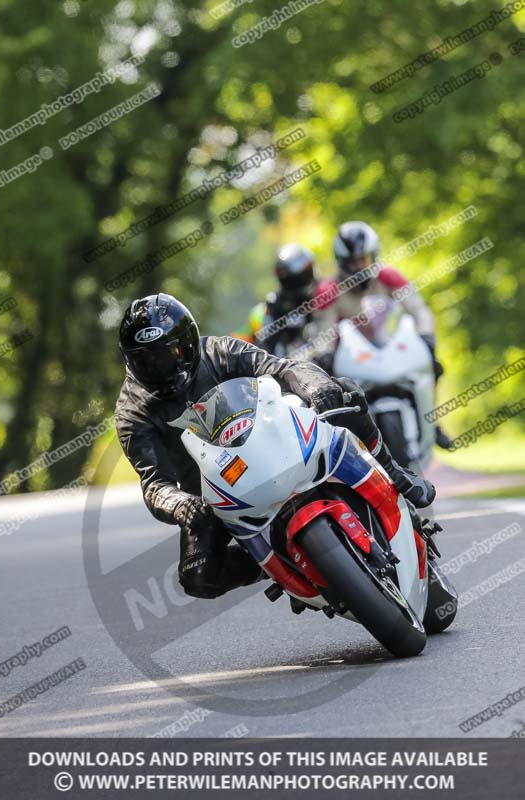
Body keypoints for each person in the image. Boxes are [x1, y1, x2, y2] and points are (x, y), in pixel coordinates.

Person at [115, 293, 435, 600]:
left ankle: (395, 474)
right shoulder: (133, 412)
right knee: (198, 576)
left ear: (188, 341)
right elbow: (154, 484)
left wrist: (316, 385)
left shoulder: (219, 351)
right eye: (148, 361)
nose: (163, 367)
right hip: (213, 490)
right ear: (131, 362)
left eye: (171, 353)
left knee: (345, 392)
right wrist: (181, 505)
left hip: (271, 438)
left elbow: (282, 367)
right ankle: (282, 566)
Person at [312, 221, 452, 449]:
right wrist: (325, 354)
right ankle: (334, 442)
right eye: (352, 262)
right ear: (341, 262)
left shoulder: (389, 277)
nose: (358, 268)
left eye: (363, 260)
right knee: (323, 387)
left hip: (384, 345)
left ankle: (432, 422)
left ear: (373, 257)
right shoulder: (328, 291)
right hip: (345, 356)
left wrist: (426, 337)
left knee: (433, 366)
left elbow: (419, 310)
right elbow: (324, 331)